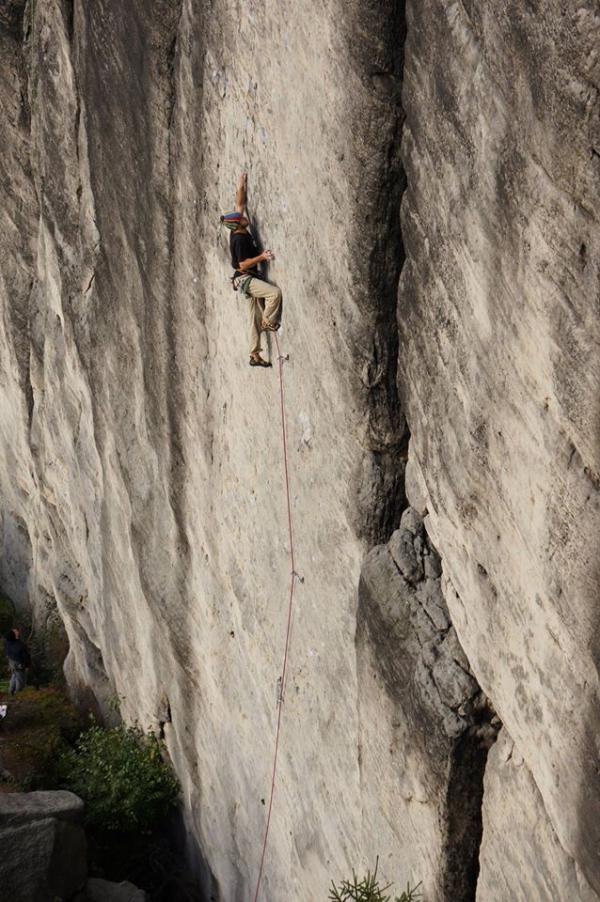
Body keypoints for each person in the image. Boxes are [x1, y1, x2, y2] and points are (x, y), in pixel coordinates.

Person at [220, 172, 283, 368]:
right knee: (274, 293)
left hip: (245, 281)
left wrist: (241, 183)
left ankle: (254, 355)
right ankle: (268, 322)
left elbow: (240, 203)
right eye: (241, 219)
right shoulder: (238, 239)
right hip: (246, 278)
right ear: (237, 226)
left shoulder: (236, 228)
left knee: (252, 318)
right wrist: (262, 257)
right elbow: (242, 265)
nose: (245, 218)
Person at [5, 628, 30, 695]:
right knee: (20, 680)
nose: (16, 631)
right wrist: (27, 665)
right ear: (13, 635)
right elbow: (25, 656)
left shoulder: (8, 643)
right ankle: (18, 694)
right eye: (14, 631)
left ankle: (11, 692)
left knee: (14, 677)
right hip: (19, 664)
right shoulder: (20, 645)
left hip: (12, 663)